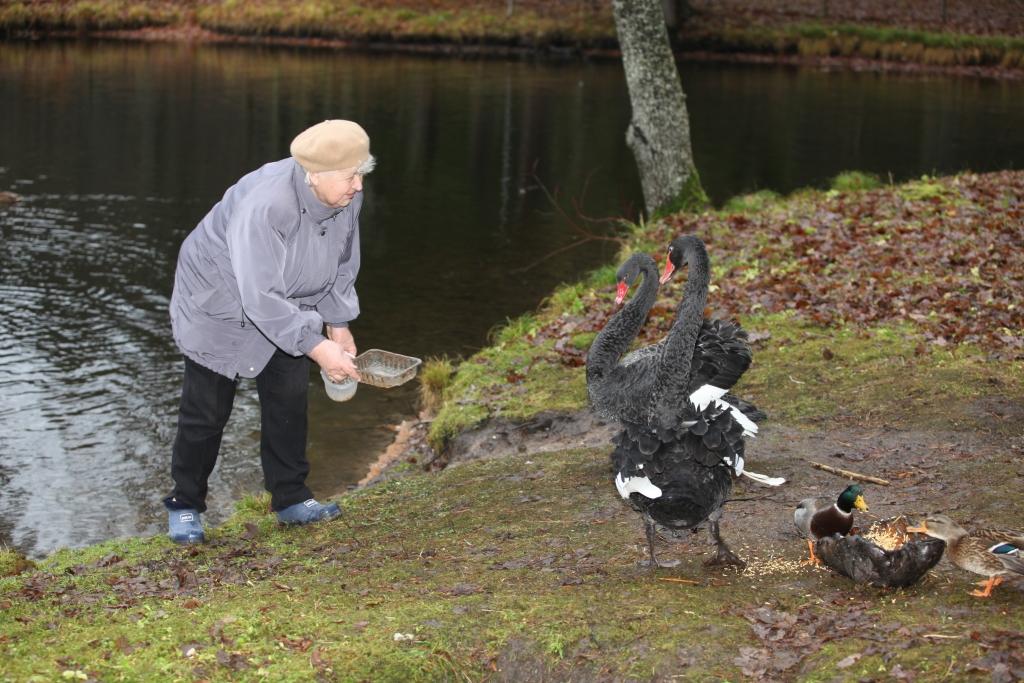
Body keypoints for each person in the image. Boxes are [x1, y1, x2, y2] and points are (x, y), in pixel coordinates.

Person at [163, 119, 374, 544]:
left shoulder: (345, 196)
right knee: (206, 413)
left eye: (362, 174)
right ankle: (185, 504)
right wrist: (316, 346)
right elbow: (259, 296)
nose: (358, 186)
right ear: (314, 174)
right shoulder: (266, 206)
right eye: (350, 176)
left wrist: (338, 325)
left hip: (289, 300)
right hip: (219, 303)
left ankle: (291, 497)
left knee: (288, 399)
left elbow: (342, 262)